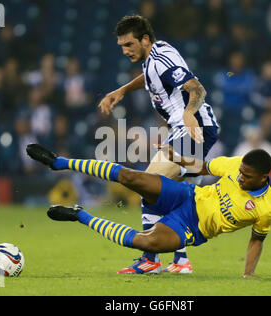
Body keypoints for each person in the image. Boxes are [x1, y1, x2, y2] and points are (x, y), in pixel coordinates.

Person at [26, 143, 271, 278]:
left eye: (246, 177)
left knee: (144, 241)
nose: (240, 178)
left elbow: (256, 240)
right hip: (187, 195)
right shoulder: (236, 164)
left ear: (263, 177)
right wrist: (177, 157)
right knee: (129, 176)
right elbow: (204, 167)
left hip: (192, 227)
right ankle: (59, 163)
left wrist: (248, 274)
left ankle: (79, 215)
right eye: (240, 172)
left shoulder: (268, 208)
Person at [97, 15, 219, 274]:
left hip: (192, 128)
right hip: (192, 129)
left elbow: (197, 89)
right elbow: (150, 79)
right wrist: (122, 90)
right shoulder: (154, 58)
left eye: (129, 44)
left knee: (149, 184)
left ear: (145, 39)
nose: (125, 50)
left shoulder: (160, 59)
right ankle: (180, 260)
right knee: (174, 195)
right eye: (121, 46)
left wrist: (188, 114)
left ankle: (150, 258)